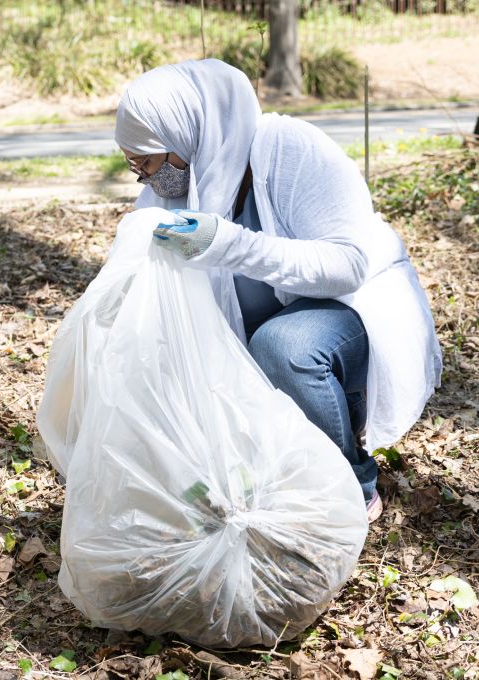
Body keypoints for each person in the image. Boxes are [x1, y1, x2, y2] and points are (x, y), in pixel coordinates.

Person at [114, 59, 442, 523]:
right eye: (133, 165)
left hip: (354, 312)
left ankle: (352, 485)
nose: (145, 179)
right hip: (270, 327)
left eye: (147, 162)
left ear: (188, 134)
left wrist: (227, 243)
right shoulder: (176, 192)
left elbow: (346, 266)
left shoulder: (291, 150)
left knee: (283, 347)